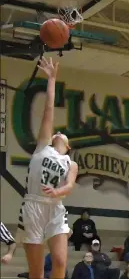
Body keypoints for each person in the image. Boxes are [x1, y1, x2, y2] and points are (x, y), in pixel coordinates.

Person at [18, 57, 78, 279]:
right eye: (56, 132)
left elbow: (70, 185)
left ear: (68, 145)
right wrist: (51, 79)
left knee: (60, 263)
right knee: (36, 273)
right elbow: (48, 110)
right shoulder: (43, 146)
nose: (58, 132)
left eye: (62, 133)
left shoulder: (71, 163)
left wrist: (58, 192)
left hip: (55, 207)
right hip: (33, 206)